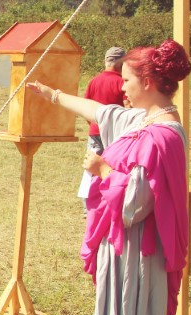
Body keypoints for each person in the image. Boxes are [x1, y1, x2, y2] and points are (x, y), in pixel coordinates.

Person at [26, 39, 191, 315]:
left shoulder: (162, 136)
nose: (122, 87)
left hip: (138, 244)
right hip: (127, 240)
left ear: (148, 82)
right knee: (129, 304)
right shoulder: (144, 119)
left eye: (127, 80)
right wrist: (52, 95)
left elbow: (136, 203)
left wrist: (102, 169)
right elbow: (102, 112)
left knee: (133, 305)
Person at [76, 47, 127, 213]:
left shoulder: (94, 81)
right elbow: (128, 107)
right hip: (115, 133)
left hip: (95, 131)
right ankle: (111, 204)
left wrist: (93, 124)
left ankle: (88, 207)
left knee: (90, 168)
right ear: (121, 64)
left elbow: (85, 106)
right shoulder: (122, 83)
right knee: (112, 167)